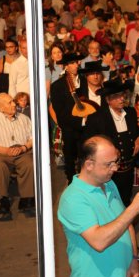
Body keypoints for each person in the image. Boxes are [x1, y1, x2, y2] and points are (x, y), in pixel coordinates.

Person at [57, 136, 139, 277]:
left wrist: (133, 261)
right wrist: (134, 208)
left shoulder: (108, 184)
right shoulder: (72, 199)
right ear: (89, 164)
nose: (115, 168)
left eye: (116, 161)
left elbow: (126, 224)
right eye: (109, 164)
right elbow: (99, 241)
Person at [83, 80, 139, 205]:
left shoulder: (131, 113)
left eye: (123, 95)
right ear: (108, 100)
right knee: (109, 201)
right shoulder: (96, 118)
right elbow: (87, 145)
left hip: (128, 168)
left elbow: (138, 132)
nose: (122, 98)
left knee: (126, 199)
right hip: (108, 172)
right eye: (117, 96)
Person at [0, 92, 34, 220]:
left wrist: (24, 147)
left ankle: (26, 198)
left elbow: (33, 138)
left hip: (21, 151)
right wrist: (5, 151)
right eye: (10, 102)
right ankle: (4, 199)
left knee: (29, 164)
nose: (14, 104)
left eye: (13, 101)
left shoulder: (24, 119)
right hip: (1, 153)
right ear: (1, 108)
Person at [50, 52, 86, 182]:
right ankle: (71, 183)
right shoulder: (57, 86)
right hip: (70, 128)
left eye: (77, 62)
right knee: (70, 158)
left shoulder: (85, 81)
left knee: (86, 158)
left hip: (87, 127)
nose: (76, 65)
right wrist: (79, 121)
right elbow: (60, 112)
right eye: (72, 63)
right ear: (66, 66)